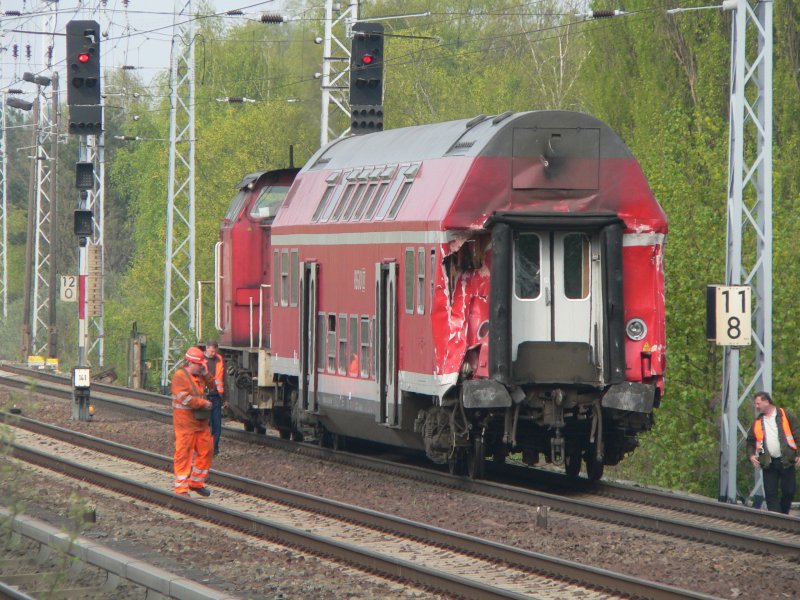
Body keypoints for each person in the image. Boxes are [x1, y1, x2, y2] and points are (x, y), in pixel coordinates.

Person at [171, 346, 215, 497]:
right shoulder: (179, 377)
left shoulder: (200, 375)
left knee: (207, 450)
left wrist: (206, 374)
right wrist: (203, 403)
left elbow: (213, 386)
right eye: (199, 365)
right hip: (185, 424)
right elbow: (185, 399)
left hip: (200, 423)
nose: (202, 366)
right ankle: (181, 488)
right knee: (184, 455)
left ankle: (196, 483)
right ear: (190, 363)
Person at [745, 391, 800, 514]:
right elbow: (750, 441)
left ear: (766, 401)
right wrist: (751, 455)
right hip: (768, 463)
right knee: (770, 494)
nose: (756, 406)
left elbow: (797, 435)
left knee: (789, 491)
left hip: (787, 460)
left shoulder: (786, 416)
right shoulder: (757, 422)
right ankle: (777, 520)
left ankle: (783, 514)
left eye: (758, 403)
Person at [203, 340, 226, 456]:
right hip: (204, 397)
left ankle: (214, 450)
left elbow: (222, 378)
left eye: (214, 351)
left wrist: (224, 397)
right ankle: (205, 449)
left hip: (216, 396)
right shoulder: (201, 361)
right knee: (206, 424)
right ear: (206, 348)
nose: (213, 353)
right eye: (211, 351)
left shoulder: (219, 359)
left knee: (217, 424)